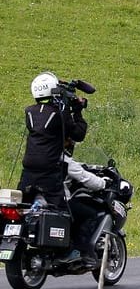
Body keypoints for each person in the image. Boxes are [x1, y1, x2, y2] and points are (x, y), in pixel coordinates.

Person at [17, 71, 88, 208]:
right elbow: (78, 134)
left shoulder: (30, 112)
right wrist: (76, 111)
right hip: (49, 172)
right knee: (60, 210)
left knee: (22, 206)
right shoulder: (59, 113)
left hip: (28, 171)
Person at [60, 139, 108, 267]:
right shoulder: (64, 160)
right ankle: (79, 250)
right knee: (91, 214)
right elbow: (84, 177)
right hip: (61, 201)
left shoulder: (41, 156)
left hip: (40, 200)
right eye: (69, 143)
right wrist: (103, 183)